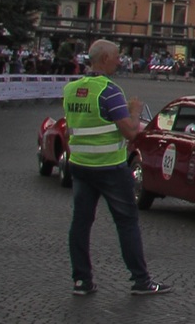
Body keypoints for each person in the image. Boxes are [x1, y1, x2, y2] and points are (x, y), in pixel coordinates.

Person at [62, 40, 169, 296]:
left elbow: (69, 131)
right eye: (117, 57)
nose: (120, 61)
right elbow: (131, 133)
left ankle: (81, 280)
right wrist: (135, 111)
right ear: (105, 58)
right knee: (127, 222)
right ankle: (141, 280)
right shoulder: (109, 91)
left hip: (80, 165)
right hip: (109, 167)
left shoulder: (70, 89)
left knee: (81, 222)